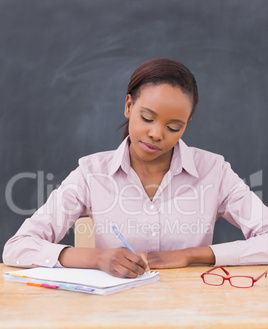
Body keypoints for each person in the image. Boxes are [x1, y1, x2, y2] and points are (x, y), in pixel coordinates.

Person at [3, 58, 268, 277]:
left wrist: (189, 255)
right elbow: (17, 248)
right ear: (129, 106)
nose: (156, 133)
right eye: (147, 117)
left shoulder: (214, 171)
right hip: (116, 311)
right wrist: (97, 258)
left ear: (187, 124)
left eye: (174, 127)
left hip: (191, 313)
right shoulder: (91, 173)